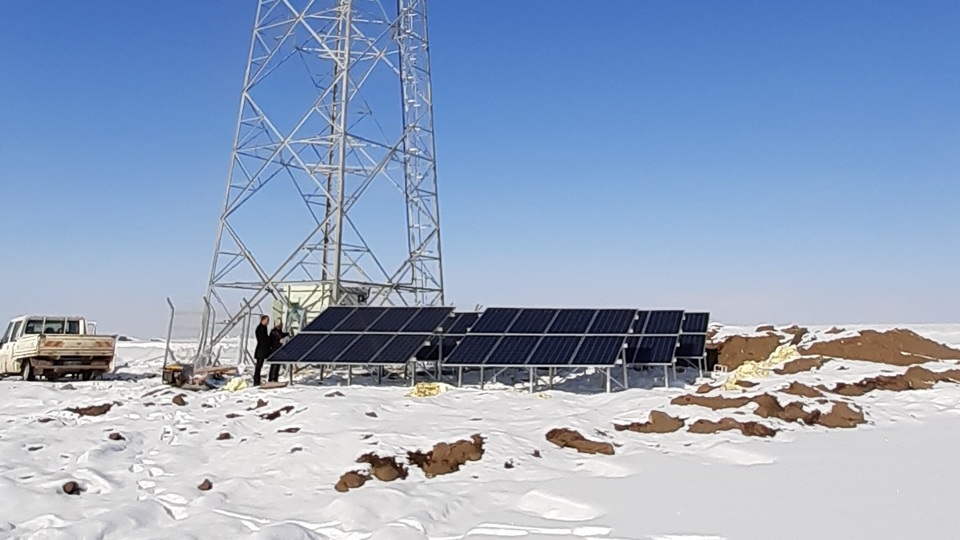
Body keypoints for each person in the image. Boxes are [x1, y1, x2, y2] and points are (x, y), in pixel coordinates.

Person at [253, 315, 270, 386]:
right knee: (258, 366)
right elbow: (263, 339)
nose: (268, 322)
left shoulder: (264, 328)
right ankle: (256, 380)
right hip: (261, 350)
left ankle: (257, 380)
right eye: (267, 320)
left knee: (259, 366)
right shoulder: (260, 328)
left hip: (263, 350)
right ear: (262, 320)